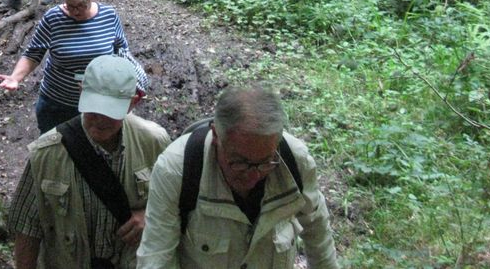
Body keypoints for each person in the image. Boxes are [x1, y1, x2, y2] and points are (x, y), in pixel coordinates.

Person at [137, 84, 340, 269]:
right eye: (240, 163)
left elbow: (318, 234)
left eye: (265, 162)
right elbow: (156, 258)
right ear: (216, 136)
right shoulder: (176, 170)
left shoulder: (296, 161)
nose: (254, 176)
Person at [8, 55, 171, 269]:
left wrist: (151, 217)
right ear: (81, 91)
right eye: (94, 108)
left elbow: (178, 205)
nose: (100, 119)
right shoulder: (45, 153)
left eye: (110, 110)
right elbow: (27, 228)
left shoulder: (154, 142)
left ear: (133, 102)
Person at [0, 0, 148, 134]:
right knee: (52, 147)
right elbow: (34, 53)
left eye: (81, 5)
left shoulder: (109, 15)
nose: (75, 11)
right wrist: (15, 77)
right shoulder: (53, 18)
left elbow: (122, 53)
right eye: (70, 6)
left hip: (97, 103)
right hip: (57, 102)